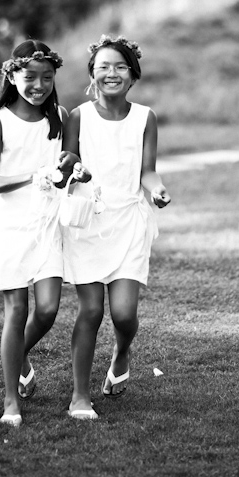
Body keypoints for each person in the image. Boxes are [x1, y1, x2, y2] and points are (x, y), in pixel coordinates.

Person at [0, 39, 89, 427]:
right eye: (30, 77)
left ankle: (18, 354)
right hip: (12, 228)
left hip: (49, 225)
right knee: (17, 309)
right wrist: (31, 174)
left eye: (46, 77)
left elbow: (68, 162)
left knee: (47, 309)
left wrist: (72, 167)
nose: (38, 85)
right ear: (12, 76)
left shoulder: (57, 116)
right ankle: (11, 401)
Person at [63, 34, 171, 420]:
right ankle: (80, 396)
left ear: (133, 74)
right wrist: (71, 167)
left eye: (120, 66)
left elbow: (149, 171)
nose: (112, 73)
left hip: (128, 222)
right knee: (91, 310)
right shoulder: (78, 116)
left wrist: (157, 191)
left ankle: (122, 351)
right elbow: (70, 159)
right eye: (103, 66)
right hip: (88, 222)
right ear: (92, 74)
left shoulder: (146, 118)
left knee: (124, 314)